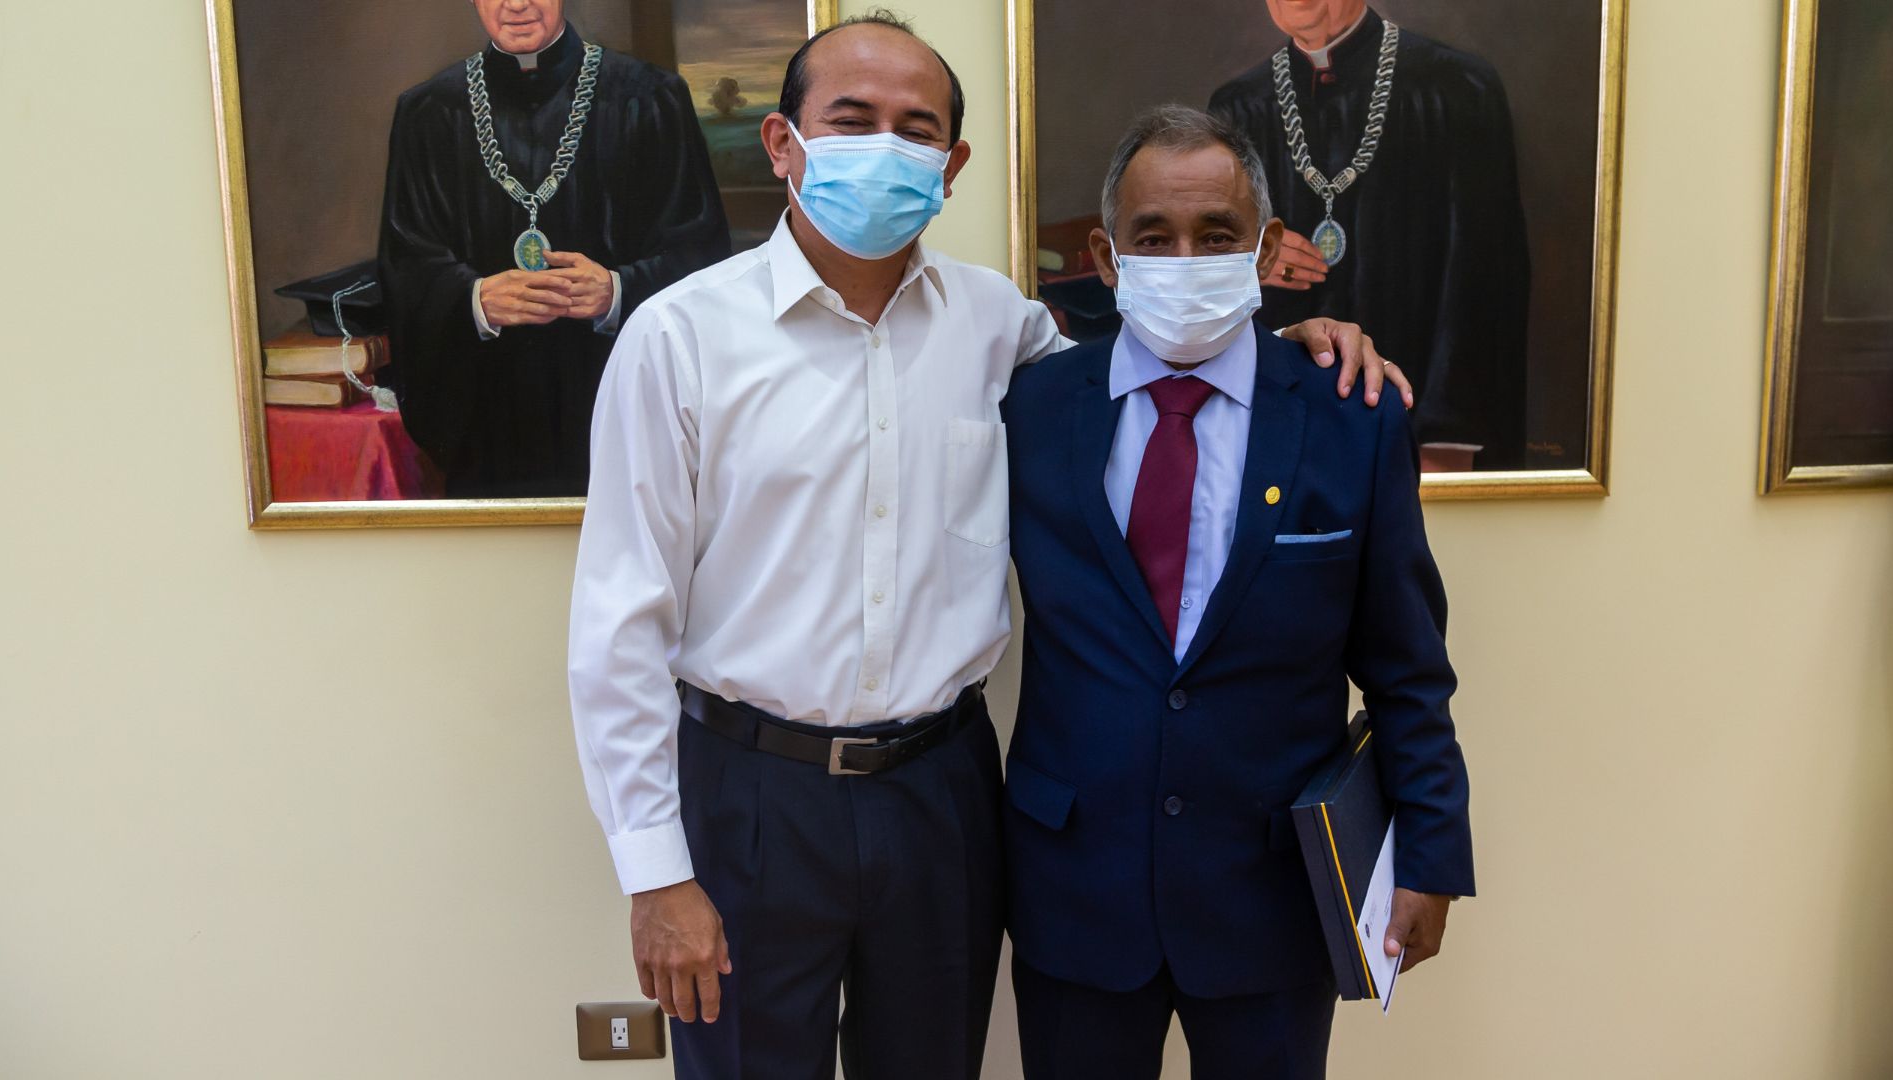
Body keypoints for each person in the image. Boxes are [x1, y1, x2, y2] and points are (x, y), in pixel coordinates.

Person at [567, 14, 1404, 1080]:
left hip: (942, 794)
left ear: (952, 166)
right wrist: (655, 874)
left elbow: (1158, 371)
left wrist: (1290, 348)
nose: (886, 147)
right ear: (784, 142)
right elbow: (618, 625)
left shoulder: (1001, 328)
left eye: (916, 129)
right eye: (852, 120)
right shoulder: (680, 339)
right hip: (753, 794)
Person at [1001, 106, 1473, 1079]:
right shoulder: (1032, 409)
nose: (1186, 259)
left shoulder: (1351, 418)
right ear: (1106, 256)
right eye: (1153, 238)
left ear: (1265, 249)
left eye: (1217, 235)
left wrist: (1430, 851)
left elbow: (1407, 665)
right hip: (1075, 887)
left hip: (1271, 896)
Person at [378, 0, 730, 498]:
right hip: (488, 422)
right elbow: (405, 265)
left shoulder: (650, 97)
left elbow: (702, 255)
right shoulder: (429, 111)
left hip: (620, 410)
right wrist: (474, 300)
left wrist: (618, 290)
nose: (516, 3)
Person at [1210, 0, 1530, 471]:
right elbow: (1202, 273)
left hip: (1419, 428)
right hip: (1281, 432)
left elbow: (1485, 279)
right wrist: (1242, 261)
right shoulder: (1238, 106)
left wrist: (1448, 438)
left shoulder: (1457, 87)